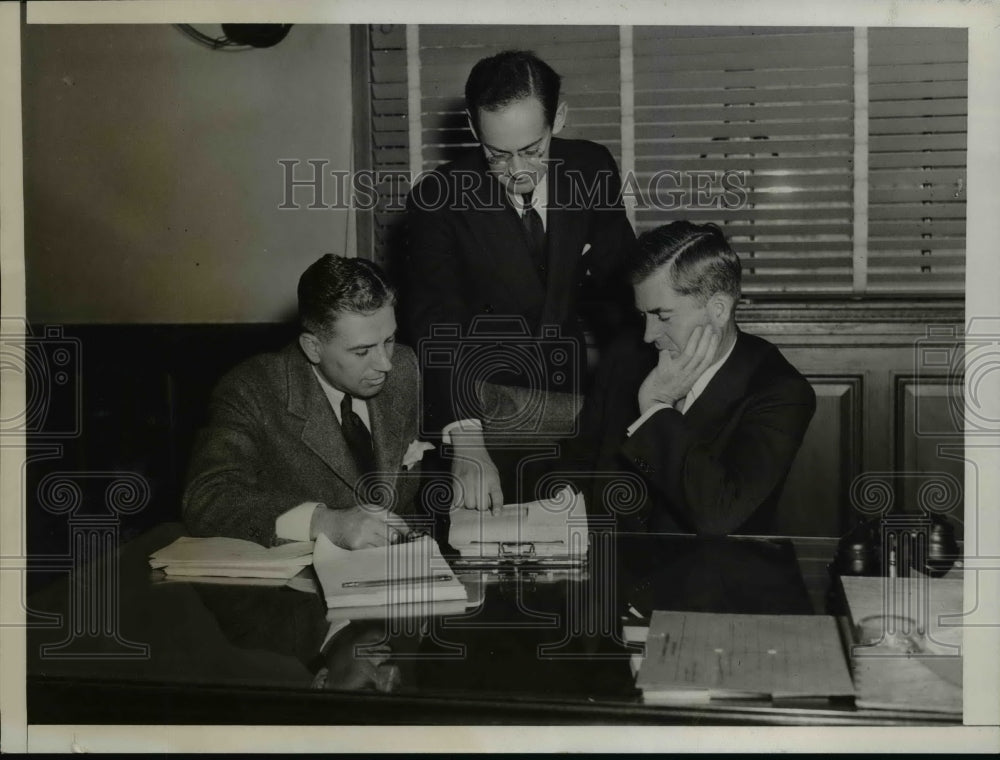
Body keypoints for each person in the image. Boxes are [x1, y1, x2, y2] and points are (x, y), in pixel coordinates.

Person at [405, 50, 635, 511]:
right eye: (497, 154)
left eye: (533, 150)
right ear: (474, 129)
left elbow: (623, 290)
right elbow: (437, 323)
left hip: (573, 400)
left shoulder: (591, 167)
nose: (517, 171)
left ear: (559, 119)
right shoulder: (438, 198)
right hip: (485, 410)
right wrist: (466, 440)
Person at [573, 221, 816, 535]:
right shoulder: (625, 357)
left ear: (717, 309)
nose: (648, 335)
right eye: (643, 315)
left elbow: (720, 515)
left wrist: (657, 407)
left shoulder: (780, 392)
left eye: (663, 316)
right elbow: (578, 464)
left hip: (712, 576)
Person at [183, 254, 430, 548]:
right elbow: (206, 498)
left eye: (388, 340)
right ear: (313, 348)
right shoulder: (252, 390)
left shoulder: (404, 366)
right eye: (362, 351)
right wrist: (323, 522)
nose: (385, 364)